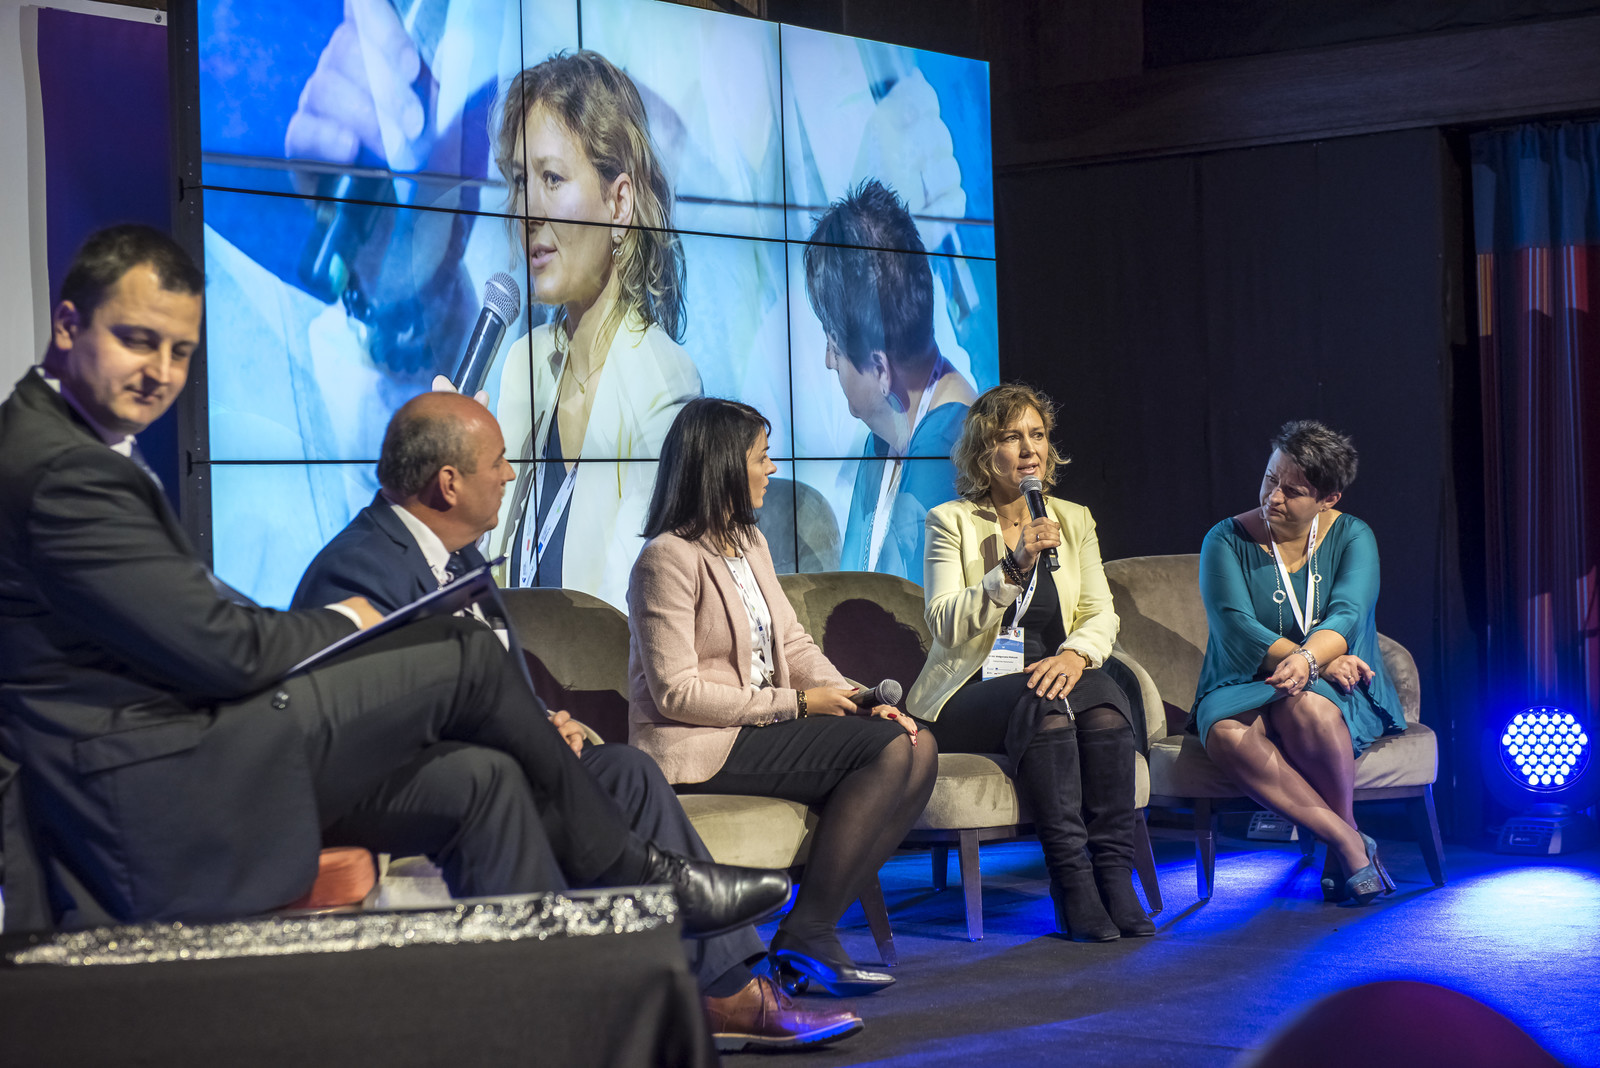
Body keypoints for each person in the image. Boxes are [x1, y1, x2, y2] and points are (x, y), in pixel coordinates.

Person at [0, 225, 787, 944]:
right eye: (138, 341)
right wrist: (347, 619)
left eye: (180, 351)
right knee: (461, 655)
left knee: (484, 778)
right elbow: (224, 649)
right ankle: (635, 873)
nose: (162, 373)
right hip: (162, 773)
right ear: (67, 326)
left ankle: (548, 1007)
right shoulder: (63, 469)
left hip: (190, 741)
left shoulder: (72, 447)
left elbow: (177, 621)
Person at [292, 391, 861, 1052]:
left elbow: (488, 681)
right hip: (391, 780)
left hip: (483, 752)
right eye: (497, 462)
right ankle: (600, 981)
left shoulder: (462, 557)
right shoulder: (359, 565)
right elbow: (375, 715)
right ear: (448, 483)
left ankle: (726, 990)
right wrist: (523, 737)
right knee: (507, 781)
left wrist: (543, 719)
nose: (510, 475)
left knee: (626, 771)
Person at [628, 398, 939, 996]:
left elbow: (793, 645)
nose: (772, 468)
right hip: (701, 743)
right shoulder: (665, 558)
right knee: (887, 750)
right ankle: (810, 933)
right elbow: (676, 694)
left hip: (759, 727)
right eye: (761, 457)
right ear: (722, 464)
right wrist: (798, 705)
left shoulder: (748, 542)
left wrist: (857, 697)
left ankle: (805, 931)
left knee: (916, 742)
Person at [905, 384, 1154, 941]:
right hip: (971, 689)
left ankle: (1115, 875)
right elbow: (944, 623)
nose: (1029, 449)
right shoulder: (950, 521)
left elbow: (1100, 613)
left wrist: (1074, 655)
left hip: (1058, 674)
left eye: (1037, 435)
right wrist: (1013, 568)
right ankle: (1071, 881)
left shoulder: (1073, 519)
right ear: (983, 450)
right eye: (1011, 436)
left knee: (1106, 705)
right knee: (1046, 706)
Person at [477, 51, 701, 610]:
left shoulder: (663, 384)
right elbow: (486, 577)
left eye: (552, 178)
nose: (528, 209)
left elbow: (630, 614)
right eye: (521, 181)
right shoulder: (524, 364)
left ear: (619, 202)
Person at [1193, 420, 1405, 905]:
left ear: (1328, 499)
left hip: (1326, 685)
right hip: (1243, 678)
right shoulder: (1225, 539)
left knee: (1306, 706)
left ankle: (1340, 848)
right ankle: (1348, 839)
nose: (1273, 497)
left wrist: (1311, 662)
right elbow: (1235, 625)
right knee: (1227, 732)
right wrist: (1315, 661)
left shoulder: (1353, 535)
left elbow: (1348, 613)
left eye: (1293, 491)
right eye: (1271, 479)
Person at [803, 180, 976, 584]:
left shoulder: (947, 449)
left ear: (880, 369)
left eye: (834, 346)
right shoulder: (886, 436)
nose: (828, 362)